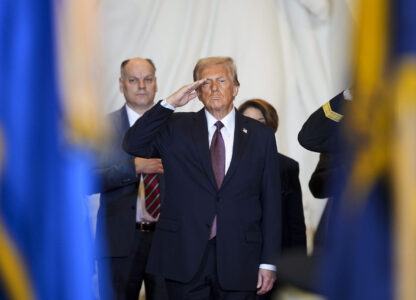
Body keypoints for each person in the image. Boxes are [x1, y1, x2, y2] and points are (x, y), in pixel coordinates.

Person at [123, 56, 281, 300]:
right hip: (184, 257)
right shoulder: (175, 127)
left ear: (235, 88)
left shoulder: (261, 136)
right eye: (206, 83)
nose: (215, 88)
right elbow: (133, 143)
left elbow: (271, 201)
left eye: (222, 81)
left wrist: (268, 263)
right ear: (197, 91)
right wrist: (169, 103)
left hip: (240, 258)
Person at [93, 57, 168, 300]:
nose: (142, 86)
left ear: (156, 83)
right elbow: (88, 180)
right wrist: (132, 167)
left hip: (167, 237)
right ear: (121, 84)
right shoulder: (102, 127)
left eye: (147, 79)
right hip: (119, 239)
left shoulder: (176, 126)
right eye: (134, 80)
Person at [238, 99, 306, 253]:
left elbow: (295, 223)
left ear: (271, 126)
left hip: (276, 252)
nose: (253, 127)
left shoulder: (287, 166)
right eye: (247, 121)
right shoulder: (225, 162)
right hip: (237, 253)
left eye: (260, 122)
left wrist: (296, 266)